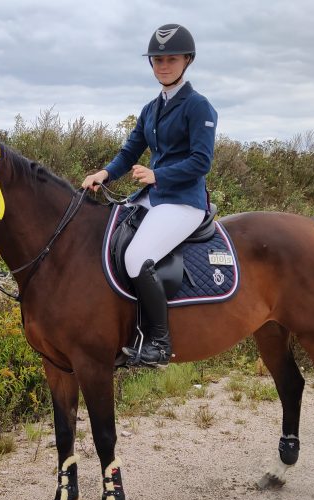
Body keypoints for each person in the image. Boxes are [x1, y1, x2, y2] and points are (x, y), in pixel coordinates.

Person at [82, 23, 217, 368]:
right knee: (107, 238)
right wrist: (104, 173)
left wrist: (158, 174)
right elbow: (129, 153)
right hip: (153, 197)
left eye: (171, 59)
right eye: (157, 59)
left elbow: (201, 161)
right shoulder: (150, 109)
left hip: (184, 201)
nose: (163, 65)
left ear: (187, 61)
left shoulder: (199, 106)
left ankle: (158, 341)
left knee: (138, 256)